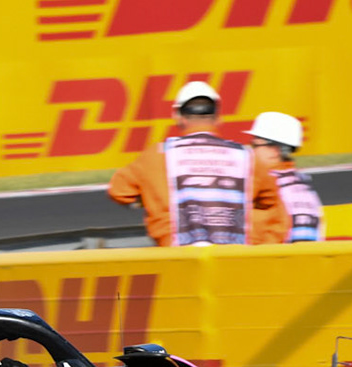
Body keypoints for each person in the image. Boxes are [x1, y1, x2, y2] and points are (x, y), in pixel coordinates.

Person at [108, 79, 283, 247]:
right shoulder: (247, 157)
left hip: (178, 260)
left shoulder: (157, 155)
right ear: (217, 117)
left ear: (177, 116)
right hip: (233, 259)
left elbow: (119, 191)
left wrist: (147, 196)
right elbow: (271, 203)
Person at [248, 110, 324, 243]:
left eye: (255, 145)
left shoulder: (266, 182)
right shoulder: (304, 184)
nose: (252, 151)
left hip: (273, 259)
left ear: (274, 150)